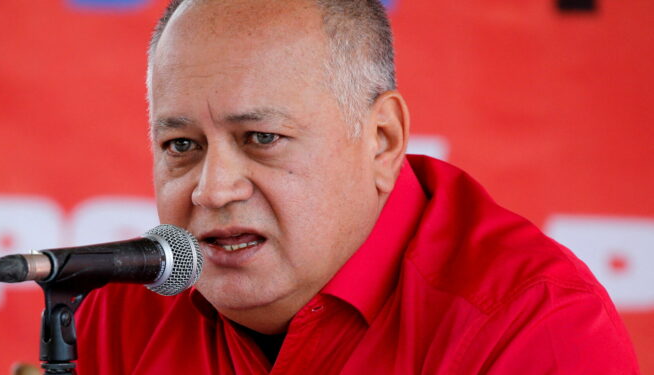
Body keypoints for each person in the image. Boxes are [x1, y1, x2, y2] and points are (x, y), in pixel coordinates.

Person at [76, 0, 640, 373]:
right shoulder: (119, 306)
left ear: (382, 140)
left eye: (261, 137)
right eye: (181, 146)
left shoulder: (535, 327)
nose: (212, 191)